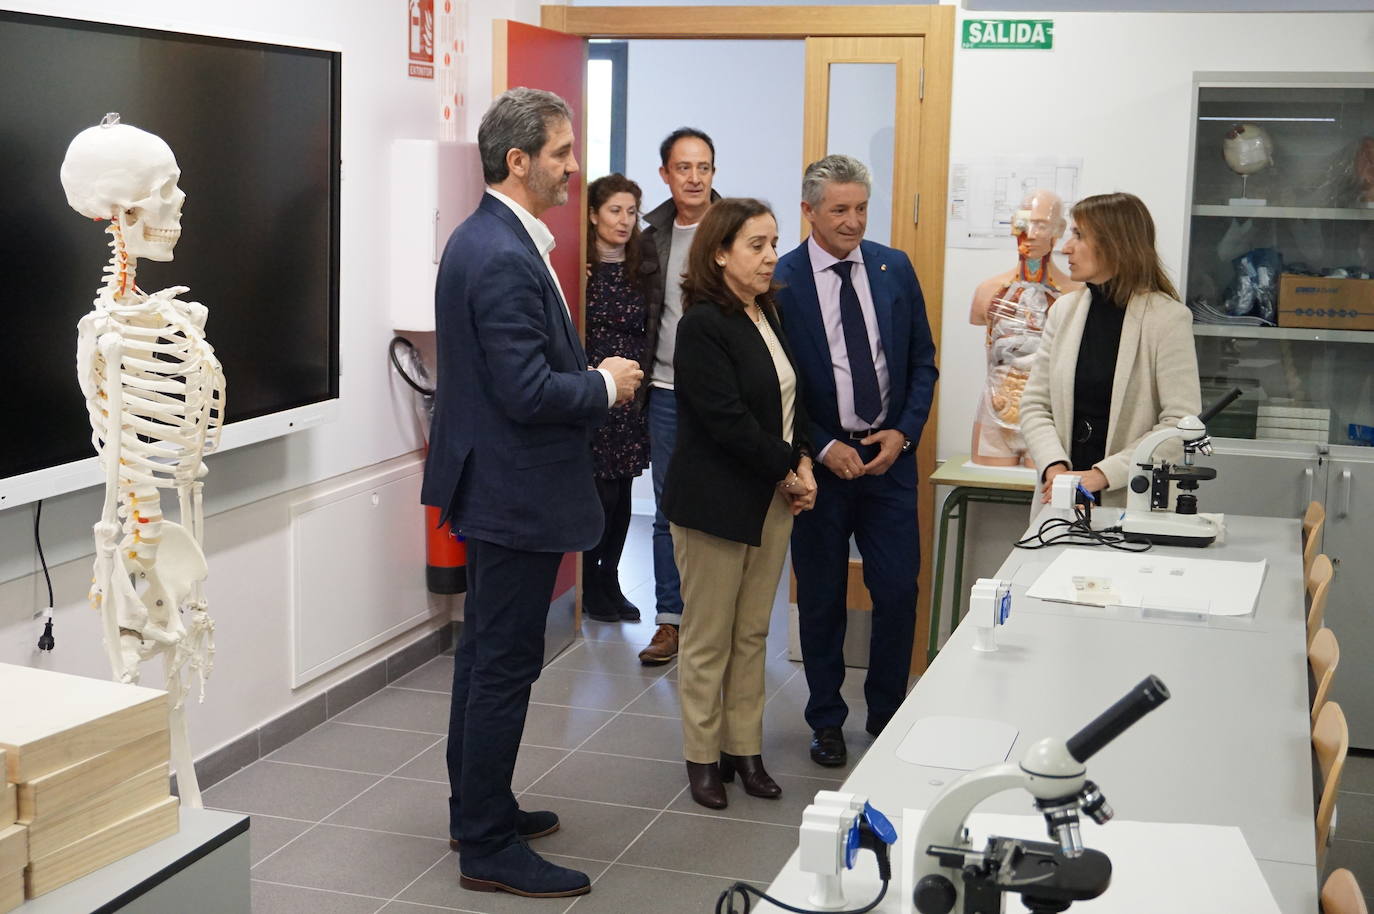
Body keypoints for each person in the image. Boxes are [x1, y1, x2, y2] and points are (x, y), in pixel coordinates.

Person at [421, 87, 642, 899]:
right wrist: (605, 383)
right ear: (518, 161)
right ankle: (486, 844)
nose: (574, 166)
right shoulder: (502, 253)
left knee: (486, 658)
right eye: (562, 152)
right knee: (503, 666)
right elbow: (526, 390)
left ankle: (477, 810)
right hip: (513, 495)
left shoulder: (489, 238)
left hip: (499, 487)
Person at [774, 154, 938, 769]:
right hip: (821, 467)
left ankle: (888, 713)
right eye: (839, 209)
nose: (853, 221)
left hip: (888, 460)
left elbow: (922, 362)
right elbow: (779, 384)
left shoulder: (894, 268)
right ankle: (826, 720)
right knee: (820, 598)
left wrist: (905, 434)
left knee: (897, 590)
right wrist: (821, 445)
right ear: (809, 211)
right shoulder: (782, 280)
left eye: (862, 208)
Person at [662, 198, 816, 809]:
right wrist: (792, 470)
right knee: (708, 640)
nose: (771, 255)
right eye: (757, 245)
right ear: (721, 253)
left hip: (770, 497)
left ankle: (743, 749)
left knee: (752, 633)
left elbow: (790, 403)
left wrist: (802, 460)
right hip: (714, 504)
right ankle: (703, 758)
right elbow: (725, 420)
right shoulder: (702, 324)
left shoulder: (767, 311)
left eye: (774, 242)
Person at [1020, 191, 1202, 507]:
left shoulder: (1168, 319)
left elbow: (1180, 424)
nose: (1066, 247)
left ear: (1115, 244)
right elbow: (1035, 404)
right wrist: (1055, 468)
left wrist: (1102, 475)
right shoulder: (1064, 311)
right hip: (1060, 495)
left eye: (1078, 235)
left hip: (1128, 498)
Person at [636, 127, 722, 666]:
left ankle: (713, 620)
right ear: (665, 174)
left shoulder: (734, 230)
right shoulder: (651, 237)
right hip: (666, 392)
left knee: (716, 506)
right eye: (683, 168)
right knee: (667, 511)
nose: (694, 178)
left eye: (703, 167)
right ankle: (670, 620)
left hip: (719, 394)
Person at [581, 174, 660, 623]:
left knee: (624, 492)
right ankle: (589, 582)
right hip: (594, 393)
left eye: (632, 212)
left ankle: (610, 578)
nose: (625, 220)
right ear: (593, 214)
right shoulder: (577, 266)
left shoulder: (641, 268)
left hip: (631, 395)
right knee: (599, 494)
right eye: (615, 210)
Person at [968, 189, 1080, 467]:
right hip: (995, 411)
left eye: (1041, 225)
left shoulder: (1076, 294)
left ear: (1059, 230)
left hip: (1047, 416)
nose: (1030, 233)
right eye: (1023, 223)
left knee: (1046, 488)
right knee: (989, 485)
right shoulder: (988, 290)